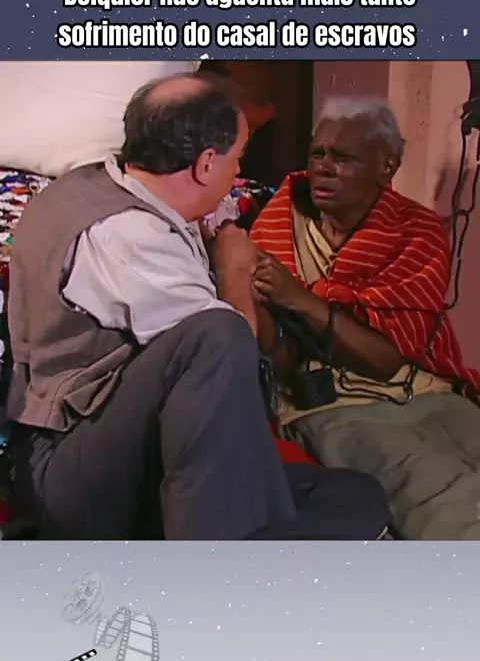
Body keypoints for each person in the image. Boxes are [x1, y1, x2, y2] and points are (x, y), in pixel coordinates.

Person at [5, 74, 390, 540]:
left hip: (138, 452)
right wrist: (232, 274)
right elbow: (234, 380)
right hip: (72, 474)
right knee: (218, 336)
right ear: (207, 164)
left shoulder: (90, 185)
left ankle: (219, 549)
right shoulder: (128, 236)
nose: (236, 172)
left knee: (357, 497)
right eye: (238, 157)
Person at [250, 94, 480, 540]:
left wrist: (301, 300)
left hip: (426, 388)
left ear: (386, 168)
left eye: (343, 158)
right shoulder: (277, 227)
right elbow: (280, 360)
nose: (323, 168)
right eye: (317, 154)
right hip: (337, 405)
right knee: (441, 497)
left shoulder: (417, 231)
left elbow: (388, 360)